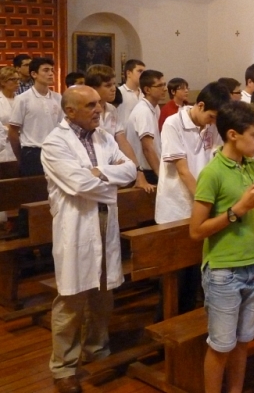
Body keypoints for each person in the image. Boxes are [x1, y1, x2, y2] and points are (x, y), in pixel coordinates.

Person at [41, 86, 136, 393]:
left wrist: (97, 173)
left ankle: (97, 350)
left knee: (103, 295)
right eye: (91, 105)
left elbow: (131, 170)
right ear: (70, 111)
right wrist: (107, 178)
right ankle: (64, 367)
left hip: (105, 222)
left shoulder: (104, 137)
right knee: (71, 299)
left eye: (99, 104)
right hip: (77, 225)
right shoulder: (55, 143)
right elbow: (78, 183)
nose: (99, 109)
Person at [189, 101, 254, 393]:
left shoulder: (251, 167)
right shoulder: (212, 173)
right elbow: (196, 231)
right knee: (222, 346)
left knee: (242, 343)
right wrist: (236, 210)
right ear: (233, 134)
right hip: (223, 271)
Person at [156, 82, 231, 316]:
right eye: (211, 115)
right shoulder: (173, 123)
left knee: (196, 276)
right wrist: (206, 204)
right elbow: (183, 170)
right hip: (176, 207)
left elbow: (218, 162)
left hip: (202, 207)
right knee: (175, 279)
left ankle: (190, 325)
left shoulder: (212, 126)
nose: (212, 121)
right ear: (200, 105)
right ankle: (167, 326)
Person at [85, 64, 153, 193]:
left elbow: (122, 141)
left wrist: (138, 170)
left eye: (114, 84)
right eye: (108, 85)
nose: (113, 89)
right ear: (93, 88)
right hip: (92, 169)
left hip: (111, 166)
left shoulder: (112, 109)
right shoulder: (85, 112)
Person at [8, 57, 63, 176]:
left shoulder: (58, 98)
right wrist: (20, 156)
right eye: (46, 70)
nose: (50, 74)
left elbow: (63, 127)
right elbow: (13, 130)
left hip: (55, 150)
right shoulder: (23, 99)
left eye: (52, 70)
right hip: (32, 151)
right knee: (34, 190)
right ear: (34, 74)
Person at [125, 70, 165, 185]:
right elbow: (147, 147)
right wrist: (161, 175)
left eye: (164, 84)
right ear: (147, 90)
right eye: (160, 85)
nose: (165, 89)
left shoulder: (154, 108)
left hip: (151, 168)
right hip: (145, 170)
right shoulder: (144, 111)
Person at [117, 59, 146, 124]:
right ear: (128, 73)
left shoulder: (145, 94)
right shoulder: (119, 92)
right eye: (140, 71)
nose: (143, 75)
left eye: (144, 72)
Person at [0, 66, 19, 162]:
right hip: (3, 148)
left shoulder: (21, 100)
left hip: (19, 145)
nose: (17, 82)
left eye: (18, 79)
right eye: (13, 79)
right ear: (3, 82)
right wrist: (10, 128)